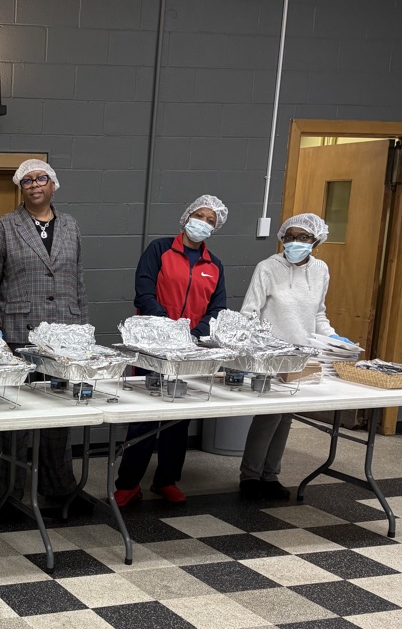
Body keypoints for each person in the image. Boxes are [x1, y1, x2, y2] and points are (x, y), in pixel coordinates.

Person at [0, 159, 89, 509]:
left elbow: (78, 282)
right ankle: (7, 494)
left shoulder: (71, 226)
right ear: (20, 188)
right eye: (26, 180)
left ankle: (59, 488)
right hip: (18, 334)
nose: (34, 185)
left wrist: (83, 334)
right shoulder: (5, 226)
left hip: (63, 335)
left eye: (41, 178)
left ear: (53, 184)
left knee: (59, 415)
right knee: (14, 417)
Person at [114, 195, 229, 508]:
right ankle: (127, 484)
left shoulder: (214, 265)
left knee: (179, 419)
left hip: (189, 353)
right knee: (145, 415)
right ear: (186, 216)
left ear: (215, 227)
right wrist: (169, 329)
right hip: (152, 348)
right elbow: (144, 291)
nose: (202, 223)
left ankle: (166, 479)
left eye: (210, 220)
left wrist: (193, 335)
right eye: (199, 215)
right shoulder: (160, 249)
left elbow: (217, 310)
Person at [240, 213, 349, 500]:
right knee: (268, 417)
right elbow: (249, 313)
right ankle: (250, 477)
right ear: (282, 238)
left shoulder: (321, 269)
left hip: (302, 357)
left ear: (316, 241)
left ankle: (270, 476)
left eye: (303, 238)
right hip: (270, 355)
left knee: (286, 417)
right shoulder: (268, 268)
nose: (295, 242)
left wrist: (333, 338)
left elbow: (318, 314)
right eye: (290, 237)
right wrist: (256, 349)